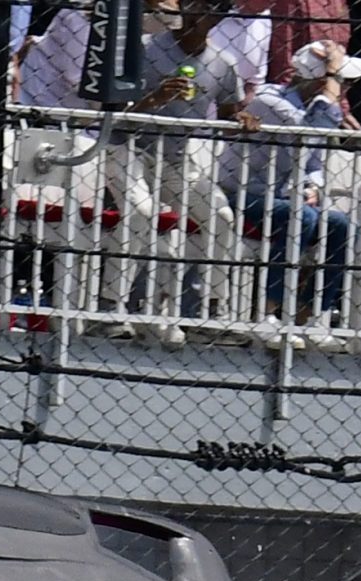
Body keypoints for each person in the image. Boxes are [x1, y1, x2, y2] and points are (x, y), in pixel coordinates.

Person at [107, 0, 251, 346]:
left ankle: (210, 312)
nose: (202, 12)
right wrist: (154, 99)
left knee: (221, 216)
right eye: (196, 4)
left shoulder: (223, 64)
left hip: (176, 158)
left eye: (212, 6)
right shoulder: (144, 48)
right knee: (141, 213)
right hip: (128, 148)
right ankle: (110, 309)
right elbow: (113, 113)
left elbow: (230, 115)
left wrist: (242, 121)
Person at [226, 37, 360, 349]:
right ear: (318, 82)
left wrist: (313, 186)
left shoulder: (316, 107)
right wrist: (333, 82)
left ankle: (313, 317)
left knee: (340, 225)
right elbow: (312, 133)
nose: (344, 90)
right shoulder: (270, 101)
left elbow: (313, 161)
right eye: (343, 82)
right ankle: (270, 315)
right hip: (245, 192)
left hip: (287, 196)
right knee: (299, 217)